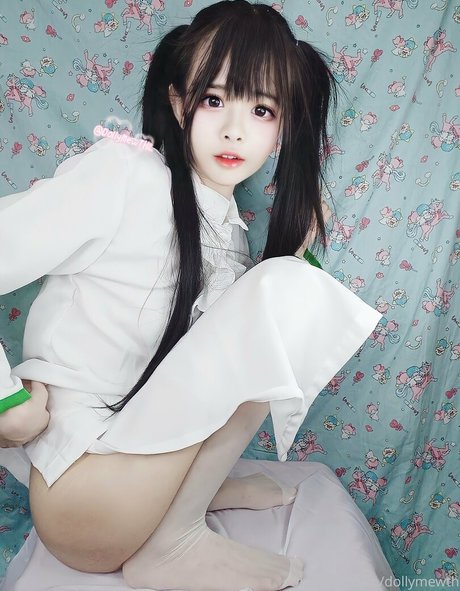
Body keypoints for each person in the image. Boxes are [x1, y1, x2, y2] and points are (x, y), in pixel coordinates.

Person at [0, 1, 381, 590]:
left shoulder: (225, 227)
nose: (235, 130)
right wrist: (6, 405)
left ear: (282, 127)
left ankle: (188, 504)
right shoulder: (127, 176)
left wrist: (300, 258)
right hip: (83, 497)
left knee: (281, 295)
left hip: (134, 483)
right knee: (281, 295)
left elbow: (215, 374)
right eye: (214, 100)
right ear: (179, 104)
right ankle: (173, 543)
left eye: (261, 109)